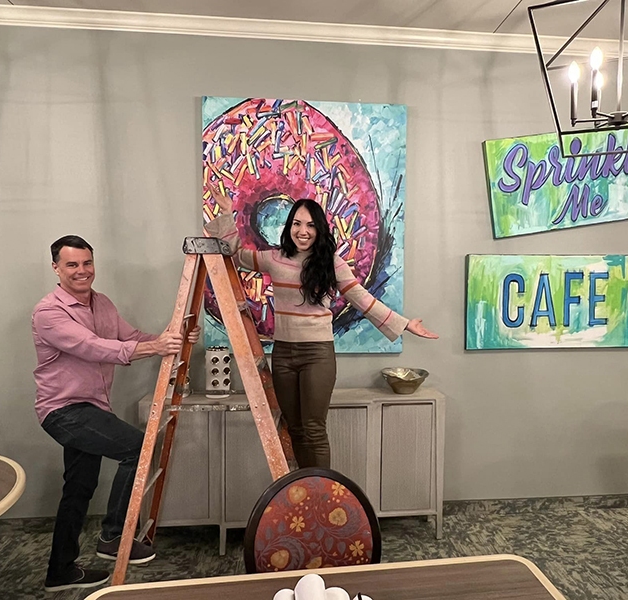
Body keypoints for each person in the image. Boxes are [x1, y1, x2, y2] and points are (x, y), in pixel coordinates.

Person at [205, 196, 438, 469]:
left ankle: (320, 490)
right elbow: (235, 255)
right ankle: (303, 487)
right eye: (297, 224)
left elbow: (361, 299)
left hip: (317, 355)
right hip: (283, 355)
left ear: (319, 229)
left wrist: (405, 324)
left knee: (314, 429)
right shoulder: (275, 258)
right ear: (289, 227)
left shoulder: (332, 264)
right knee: (294, 428)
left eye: (310, 225)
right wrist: (225, 214)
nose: (302, 231)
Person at [32, 235, 200, 592]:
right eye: (72, 264)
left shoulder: (102, 303)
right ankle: (113, 537)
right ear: (56, 268)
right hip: (63, 411)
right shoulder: (48, 313)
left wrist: (175, 339)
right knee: (137, 447)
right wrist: (155, 347)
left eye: (87, 263)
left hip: (91, 409)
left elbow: (132, 336)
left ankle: (60, 572)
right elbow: (94, 348)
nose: (82, 271)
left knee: (78, 490)